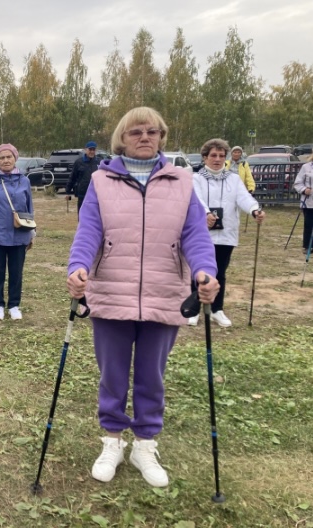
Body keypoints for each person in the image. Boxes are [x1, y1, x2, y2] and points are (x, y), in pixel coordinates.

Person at [66, 107, 219, 488]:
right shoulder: (101, 181)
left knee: (152, 375)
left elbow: (195, 234)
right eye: (136, 131)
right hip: (112, 291)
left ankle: (145, 444)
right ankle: (113, 441)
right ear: (122, 138)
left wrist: (206, 270)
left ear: (162, 137)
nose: (145, 137)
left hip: (164, 291)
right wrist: (77, 266)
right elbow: (89, 231)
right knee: (112, 374)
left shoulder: (183, 181)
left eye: (153, 131)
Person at [188, 138, 265, 327]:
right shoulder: (196, 178)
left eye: (221, 156)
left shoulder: (233, 178)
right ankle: (194, 309)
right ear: (205, 157)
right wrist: (205, 213)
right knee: (198, 271)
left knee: (220, 272)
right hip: (202, 233)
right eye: (213, 155)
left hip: (225, 234)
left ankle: (217, 309)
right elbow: (195, 199)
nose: (217, 159)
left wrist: (255, 209)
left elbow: (243, 198)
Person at [0, 144, 35, 320]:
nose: (6, 160)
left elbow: (29, 207)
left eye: (9, 157)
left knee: (16, 272)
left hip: (19, 235)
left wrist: (32, 232)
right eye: (2, 158)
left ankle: (14, 305)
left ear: (15, 158)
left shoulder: (24, 181)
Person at [66, 140, 99, 213]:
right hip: (82, 194)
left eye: (94, 149)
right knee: (82, 216)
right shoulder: (79, 162)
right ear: (85, 150)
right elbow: (72, 177)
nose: (92, 151)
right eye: (90, 149)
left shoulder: (98, 162)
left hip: (95, 195)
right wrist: (68, 191)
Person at [293, 153, 313, 253]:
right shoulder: (306, 167)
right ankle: (307, 246)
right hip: (309, 201)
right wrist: (304, 190)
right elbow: (297, 183)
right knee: (309, 224)